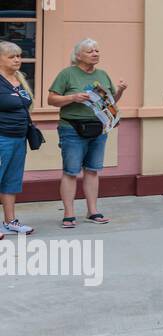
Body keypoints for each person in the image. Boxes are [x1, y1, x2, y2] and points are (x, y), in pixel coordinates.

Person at [48, 38, 125, 229]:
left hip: (98, 128)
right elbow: (52, 99)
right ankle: (69, 214)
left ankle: (93, 211)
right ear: (78, 55)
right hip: (72, 128)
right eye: (90, 51)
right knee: (71, 171)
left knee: (92, 170)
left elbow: (110, 102)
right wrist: (73, 97)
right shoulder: (67, 74)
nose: (96, 54)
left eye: (97, 50)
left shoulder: (102, 74)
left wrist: (120, 91)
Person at [0, 41, 35, 236]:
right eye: (11, 56)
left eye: (19, 56)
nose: (17, 59)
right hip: (1, 138)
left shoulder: (20, 79)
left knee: (11, 181)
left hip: (19, 138)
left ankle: (10, 221)